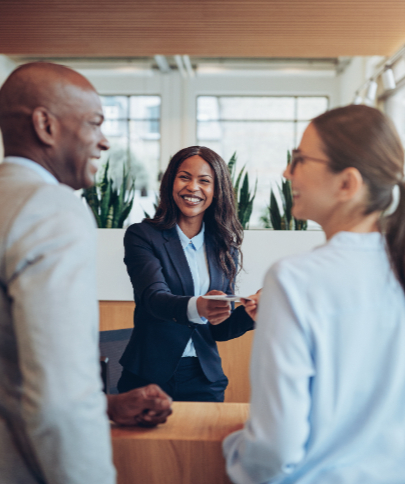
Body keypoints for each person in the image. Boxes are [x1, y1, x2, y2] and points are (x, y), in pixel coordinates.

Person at [223, 105, 405, 483]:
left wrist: (234, 447)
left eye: (300, 159)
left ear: (347, 184)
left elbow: (274, 449)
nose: (288, 172)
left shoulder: (294, 280)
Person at [0, 62, 172, 484]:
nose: (104, 141)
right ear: (45, 125)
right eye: (95, 123)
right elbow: (62, 398)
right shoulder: (52, 209)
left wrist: (107, 405)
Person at [118, 146, 258, 401]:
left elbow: (218, 330)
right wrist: (199, 306)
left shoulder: (225, 247)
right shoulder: (143, 236)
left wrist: (248, 315)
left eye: (204, 181)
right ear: (171, 183)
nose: (192, 187)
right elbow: (153, 298)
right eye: (184, 177)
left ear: (217, 191)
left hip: (205, 378)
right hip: (148, 378)